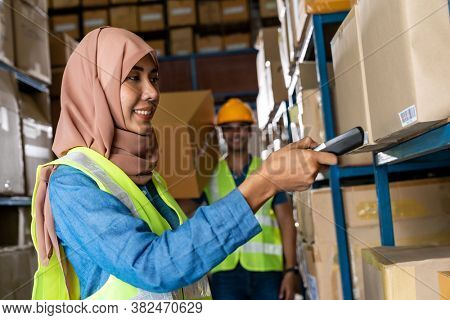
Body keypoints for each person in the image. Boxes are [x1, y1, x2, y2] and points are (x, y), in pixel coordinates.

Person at [30, 27, 337, 300]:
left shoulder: (141, 174)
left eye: (153, 78)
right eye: (133, 77)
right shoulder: (72, 183)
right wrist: (266, 181)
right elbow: (153, 266)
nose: (152, 93)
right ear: (96, 87)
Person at [179, 99, 299, 300]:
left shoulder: (268, 170)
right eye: (229, 128)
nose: (235, 134)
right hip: (225, 272)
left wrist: (290, 271)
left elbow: (286, 222)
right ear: (222, 133)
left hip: (267, 270)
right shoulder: (209, 174)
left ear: (250, 131)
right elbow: (183, 209)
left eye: (241, 127)